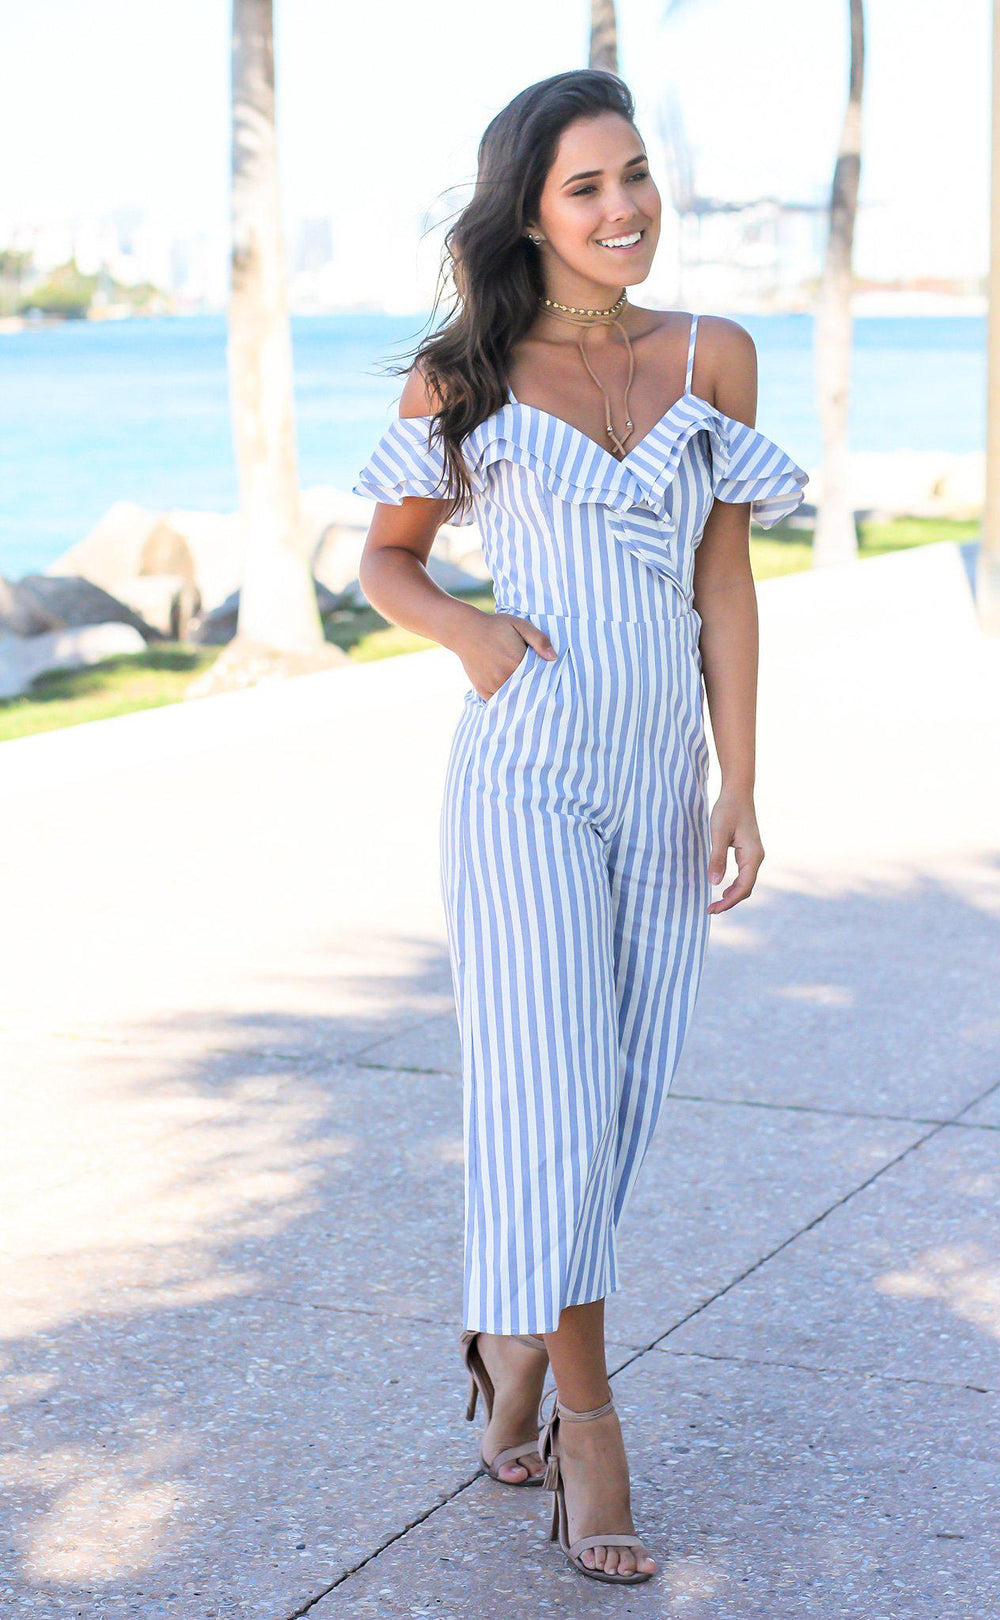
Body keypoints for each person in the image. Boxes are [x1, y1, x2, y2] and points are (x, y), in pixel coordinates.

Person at [354, 68, 807, 1588]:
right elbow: (389, 558)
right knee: (549, 1092)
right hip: (525, 778)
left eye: (635, 177)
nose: (624, 210)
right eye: (585, 189)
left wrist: (737, 778)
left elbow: (724, 585)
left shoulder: (715, 357)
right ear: (529, 213)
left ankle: (512, 1349)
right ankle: (593, 1429)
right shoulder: (464, 371)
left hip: (656, 777)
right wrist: (467, 636)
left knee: (610, 1101)